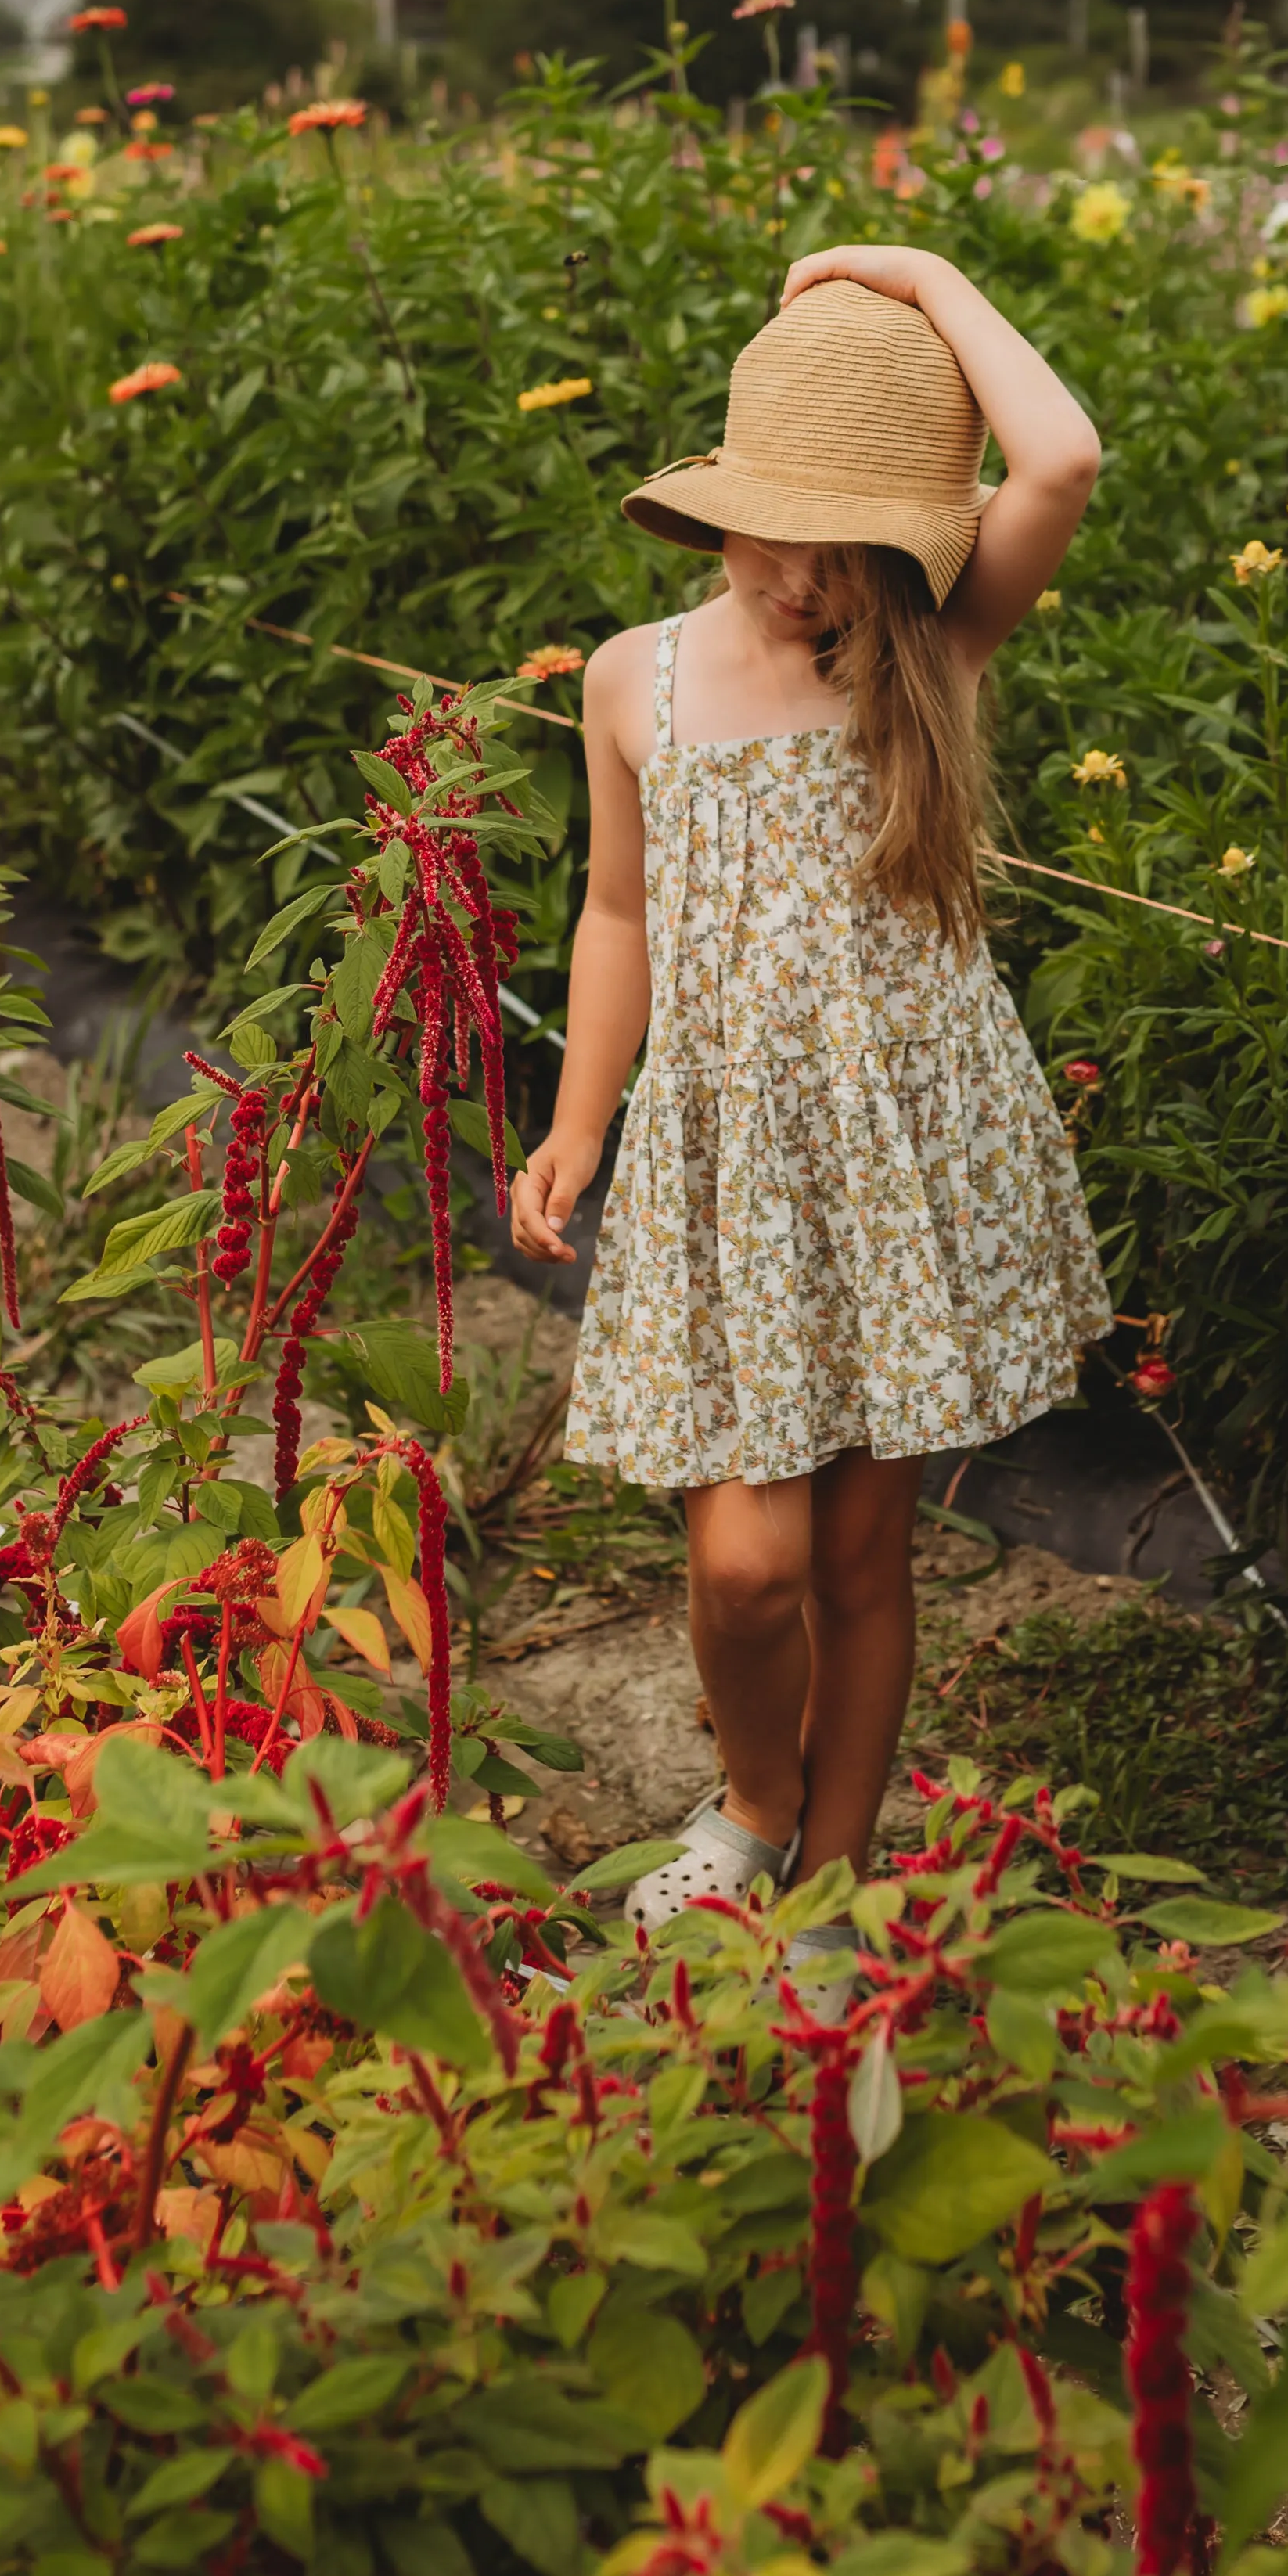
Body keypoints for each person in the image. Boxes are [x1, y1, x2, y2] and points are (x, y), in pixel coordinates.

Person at [509, 240, 1111, 2017]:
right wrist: (576, 1122)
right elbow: (616, 917)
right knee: (747, 1563)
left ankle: (830, 1888)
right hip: (727, 1164)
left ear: (907, 537)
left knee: (858, 1557)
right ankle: (757, 1803)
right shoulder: (636, 675)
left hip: (908, 1151)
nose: (795, 570)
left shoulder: (922, 645)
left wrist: (926, 279)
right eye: (769, 525)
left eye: (840, 536)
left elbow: (1061, 459)